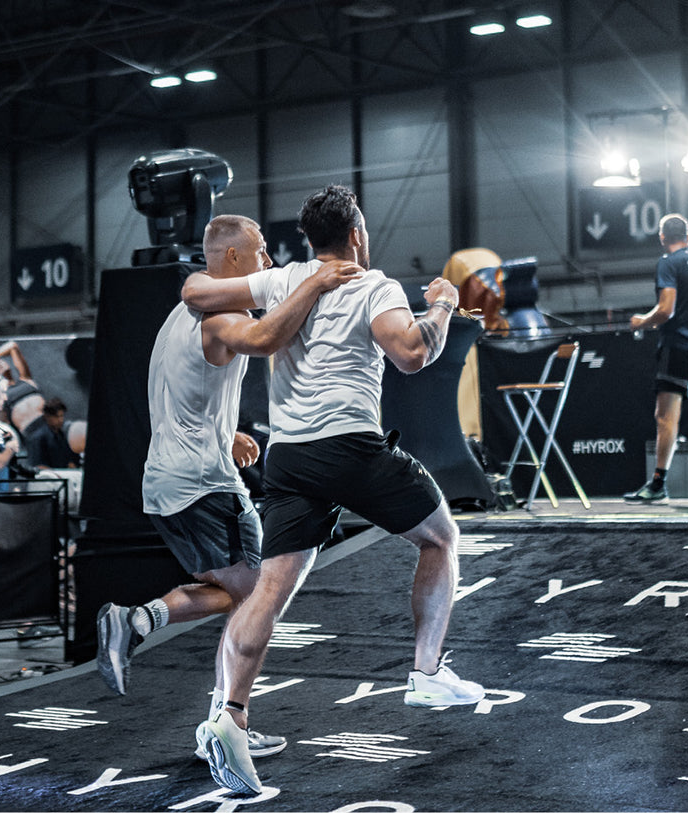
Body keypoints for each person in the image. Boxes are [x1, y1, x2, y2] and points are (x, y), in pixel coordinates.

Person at [179, 185, 484, 795]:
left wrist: (301, 283)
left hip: (290, 456)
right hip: (348, 445)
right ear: (357, 235)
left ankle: (228, 716)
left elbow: (194, 292)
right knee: (441, 537)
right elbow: (412, 354)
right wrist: (446, 305)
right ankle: (426, 672)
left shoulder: (281, 279)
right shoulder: (375, 286)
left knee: (268, 589)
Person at [95, 214, 361, 765]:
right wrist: (314, 281)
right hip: (198, 483)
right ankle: (148, 632)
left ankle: (221, 716)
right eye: (261, 252)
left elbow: (185, 390)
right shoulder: (219, 316)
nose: (267, 262)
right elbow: (265, 339)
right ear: (234, 259)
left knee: (249, 596)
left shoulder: (181, 314)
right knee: (257, 598)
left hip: (190, 478)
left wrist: (229, 431)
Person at [624, 214, 688, 503]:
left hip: (676, 348)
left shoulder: (668, 263)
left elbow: (665, 310)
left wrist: (640, 322)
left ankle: (658, 484)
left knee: (665, 416)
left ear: (661, 238)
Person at [26, 397, 80, 470]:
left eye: (62, 416)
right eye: (56, 417)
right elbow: (37, 465)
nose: (60, 420)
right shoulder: (38, 437)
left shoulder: (63, 436)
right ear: (47, 417)